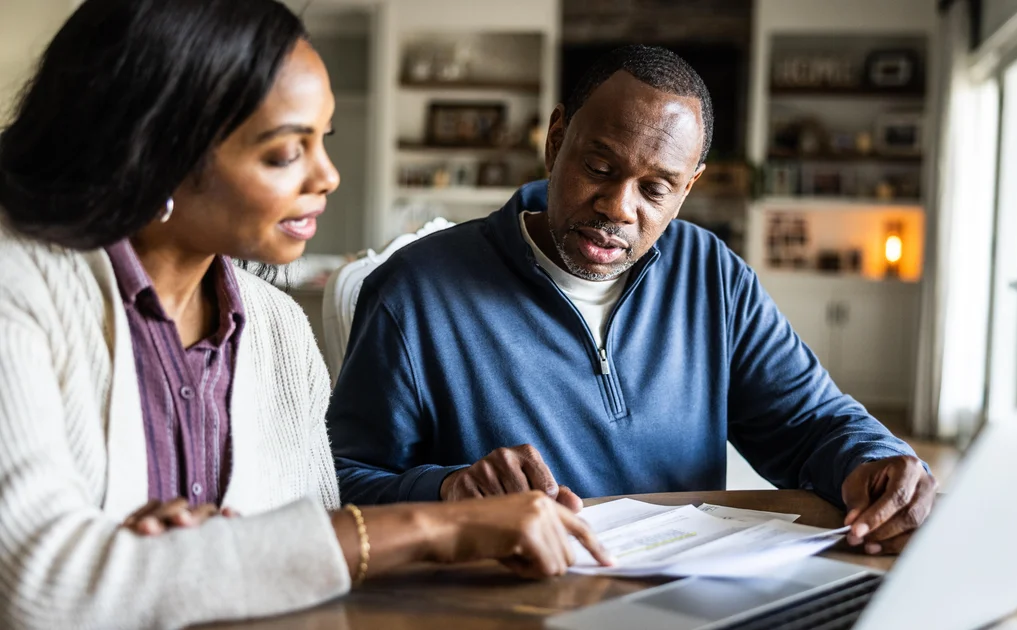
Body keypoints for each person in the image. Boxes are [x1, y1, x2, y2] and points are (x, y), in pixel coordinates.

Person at [0, 1, 608, 628]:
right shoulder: (17, 287)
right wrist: (441, 526)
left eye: (324, 140)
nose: (328, 176)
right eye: (287, 152)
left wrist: (195, 555)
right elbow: (39, 585)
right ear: (154, 148)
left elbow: (313, 563)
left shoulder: (279, 332)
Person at [328, 45, 938, 558]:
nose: (620, 207)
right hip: (515, 600)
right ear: (556, 139)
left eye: (656, 188)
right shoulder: (416, 290)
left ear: (689, 186)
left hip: (687, 597)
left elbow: (808, 422)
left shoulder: (711, 274)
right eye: (599, 166)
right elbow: (342, 482)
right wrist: (448, 491)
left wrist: (877, 461)